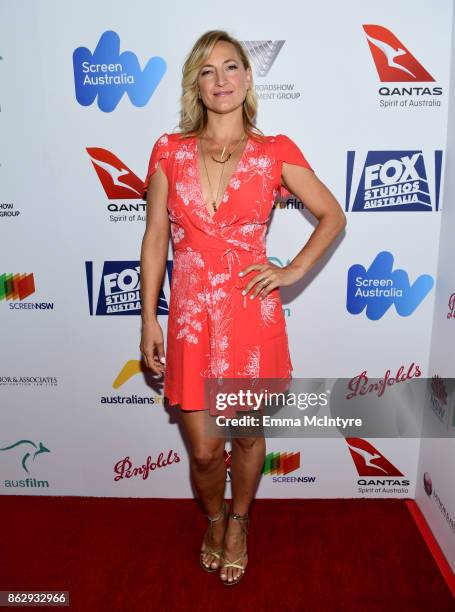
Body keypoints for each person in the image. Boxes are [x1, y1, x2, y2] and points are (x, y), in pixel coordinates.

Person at [140, 30, 346, 585]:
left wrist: (292, 270)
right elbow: (156, 237)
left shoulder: (275, 151)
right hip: (188, 322)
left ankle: (239, 521)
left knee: (249, 437)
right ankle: (213, 516)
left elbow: (333, 215)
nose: (222, 80)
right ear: (196, 86)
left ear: (248, 79)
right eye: (208, 71)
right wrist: (148, 319)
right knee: (206, 452)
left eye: (232, 67)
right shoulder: (169, 150)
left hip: (251, 318)